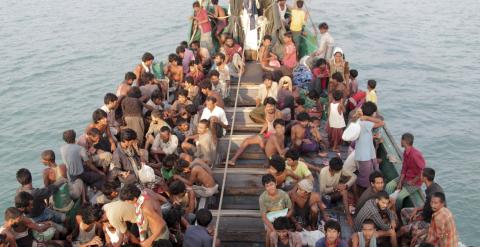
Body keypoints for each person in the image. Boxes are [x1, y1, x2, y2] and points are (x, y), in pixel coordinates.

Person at [399, 168, 445, 245]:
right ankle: (408, 234)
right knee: (404, 211)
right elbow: (427, 206)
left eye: (421, 175)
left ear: (425, 178)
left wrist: (413, 220)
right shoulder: (434, 186)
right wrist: (417, 209)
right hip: (428, 215)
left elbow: (424, 216)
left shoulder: (431, 194)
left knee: (403, 229)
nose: (419, 176)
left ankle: (406, 235)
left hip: (429, 222)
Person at [229, 99, 283, 165]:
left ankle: (269, 158)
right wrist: (261, 133)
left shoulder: (278, 113)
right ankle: (233, 160)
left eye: (272, 106)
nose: (270, 108)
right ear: (265, 107)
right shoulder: (266, 111)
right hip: (267, 134)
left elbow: (280, 129)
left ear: (275, 106)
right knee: (247, 140)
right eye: (268, 106)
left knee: (262, 142)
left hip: (274, 136)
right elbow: (267, 122)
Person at [385, 133, 426, 209]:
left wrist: (414, 181)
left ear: (404, 141)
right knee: (388, 186)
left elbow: (423, 170)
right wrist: (400, 182)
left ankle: (397, 211)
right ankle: (389, 206)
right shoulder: (405, 153)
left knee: (400, 197)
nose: (400, 141)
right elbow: (404, 168)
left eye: (401, 140)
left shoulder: (415, 155)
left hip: (415, 183)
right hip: (405, 177)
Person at [354, 102, 384, 190]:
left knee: (372, 168)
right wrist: (367, 117)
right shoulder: (365, 122)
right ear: (372, 113)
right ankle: (363, 188)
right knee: (366, 176)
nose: (376, 114)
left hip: (368, 152)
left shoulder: (362, 120)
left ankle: (369, 186)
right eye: (375, 112)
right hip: (364, 155)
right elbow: (381, 123)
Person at [318, 157, 356, 225]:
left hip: (335, 191)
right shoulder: (323, 172)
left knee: (344, 191)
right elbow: (322, 191)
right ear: (331, 169)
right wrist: (334, 188)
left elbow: (354, 176)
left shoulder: (340, 169)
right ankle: (342, 208)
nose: (338, 172)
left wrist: (346, 185)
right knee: (344, 192)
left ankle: (348, 216)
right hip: (326, 196)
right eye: (337, 171)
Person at [259, 174, 292, 247]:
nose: (270, 187)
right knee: (269, 232)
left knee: (285, 230)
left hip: (283, 218)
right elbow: (264, 217)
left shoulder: (283, 194)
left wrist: (285, 218)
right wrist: (274, 229)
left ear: (276, 183)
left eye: (271, 184)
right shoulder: (262, 198)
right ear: (264, 187)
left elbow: (290, 209)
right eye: (267, 186)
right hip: (270, 219)